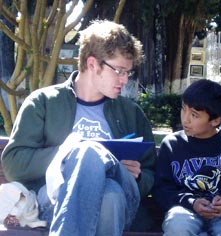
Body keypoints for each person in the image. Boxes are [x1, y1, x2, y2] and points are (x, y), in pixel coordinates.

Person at [1, 20, 157, 236]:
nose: (124, 79)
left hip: (123, 201)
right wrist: (68, 154)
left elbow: (152, 172)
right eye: (119, 70)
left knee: (103, 176)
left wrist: (138, 176)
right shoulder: (43, 102)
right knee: (102, 183)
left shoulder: (130, 112)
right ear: (92, 64)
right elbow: (13, 164)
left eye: (127, 72)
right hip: (55, 201)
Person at [152, 79, 221, 236]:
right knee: (177, 224)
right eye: (183, 109)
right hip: (185, 211)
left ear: (215, 120)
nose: (185, 119)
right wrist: (191, 202)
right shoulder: (172, 144)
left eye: (194, 115)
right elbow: (162, 189)